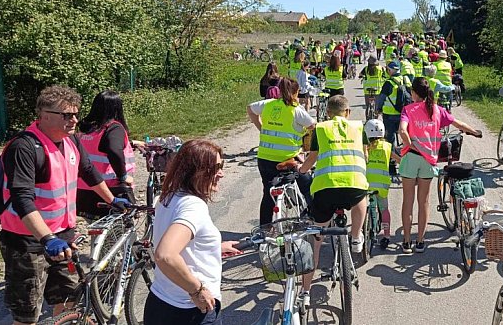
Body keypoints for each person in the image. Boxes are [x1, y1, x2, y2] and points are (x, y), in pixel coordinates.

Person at [0, 85, 129, 325]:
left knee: (68, 301)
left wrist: (112, 199)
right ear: (44, 115)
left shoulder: (72, 142)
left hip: (64, 237)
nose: (75, 120)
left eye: (76, 114)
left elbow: (88, 172)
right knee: (27, 316)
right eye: (67, 115)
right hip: (28, 243)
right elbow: (22, 199)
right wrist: (47, 239)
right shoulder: (24, 147)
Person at [145, 139, 242, 325]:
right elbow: (165, 255)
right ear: (196, 172)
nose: (221, 173)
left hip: (159, 303)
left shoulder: (169, 195)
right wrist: (197, 291)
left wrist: (213, 247)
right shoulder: (193, 206)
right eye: (216, 168)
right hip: (188, 312)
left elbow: (177, 244)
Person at [297, 95, 368, 306]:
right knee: (361, 196)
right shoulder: (357, 127)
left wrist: (300, 170)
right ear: (348, 112)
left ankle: (306, 293)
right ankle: (356, 236)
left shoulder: (321, 129)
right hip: (353, 186)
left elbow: (312, 159)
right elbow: (363, 155)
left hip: (325, 190)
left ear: (327, 112)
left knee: (315, 242)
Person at [398, 78, 481, 253]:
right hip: (428, 160)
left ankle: (406, 242)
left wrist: (410, 144)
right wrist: (474, 132)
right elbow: (457, 123)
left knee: (408, 201)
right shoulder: (437, 110)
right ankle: (420, 241)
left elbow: (402, 131)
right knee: (424, 202)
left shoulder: (408, 110)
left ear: (413, 93)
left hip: (411, 158)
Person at [247, 78, 315, 225]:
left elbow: (250, 108)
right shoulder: (296, 110)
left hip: (264, 158)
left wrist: (261, 127)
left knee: (268, 193)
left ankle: (264, 229)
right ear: (296, 92)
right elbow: (313, 126)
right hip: (288, 159)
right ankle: (314, 215)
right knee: (307, 185)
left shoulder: (268, 104)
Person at [77, 90, 144, 220]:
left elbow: (98, 147)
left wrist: (130, 143)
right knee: (120, 231)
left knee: (97, 228)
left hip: (84, 189)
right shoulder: (113, 128)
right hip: (109, 189)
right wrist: (123, 176)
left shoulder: (87, 128)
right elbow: (113, 150)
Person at [364, 119, 394, 249]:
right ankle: (386, 236)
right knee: (384, 209)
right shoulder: (387, 147)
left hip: (367, 183)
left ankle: (367, 230)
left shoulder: (365, 147)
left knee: (369, 207)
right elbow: (398, 160)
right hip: (382, 185)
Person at [375, 61, 411, 163]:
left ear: (390, 70)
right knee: (405, 136)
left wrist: (378, 109)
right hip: (404, 114)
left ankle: (392, 162)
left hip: (389, 115)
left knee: (389, 140)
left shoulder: (389, 83)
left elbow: (381, 98)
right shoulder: (405, 79)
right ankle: (406, 158)